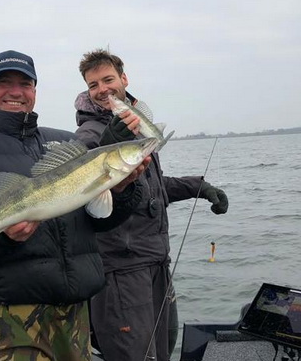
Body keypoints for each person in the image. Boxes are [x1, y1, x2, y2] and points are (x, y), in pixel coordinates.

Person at [0, 50, 151, 361]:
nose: (16, 91)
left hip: (72, 315)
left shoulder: (62, 142)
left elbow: (97, 220)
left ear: (34, 91)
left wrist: (124, 188)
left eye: (25, 83)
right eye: (4, 82)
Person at [74, 49, 229, 361]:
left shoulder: (137, 126)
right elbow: (85, 196)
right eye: (93, 85)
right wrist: (107, 143)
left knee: (162, 349)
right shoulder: (88, 135)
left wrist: (199, 187)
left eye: (108, 79)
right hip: (120, 270)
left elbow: (151, 190)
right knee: (135, 355)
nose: (102, 89)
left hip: (157, 262)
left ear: (124, 79)